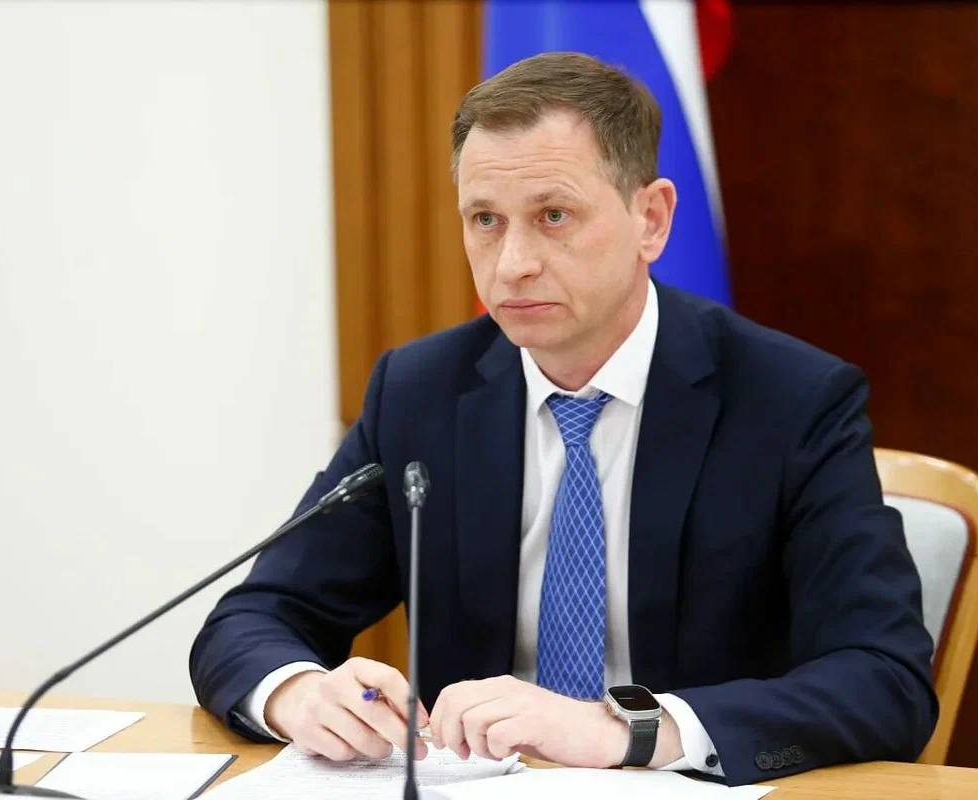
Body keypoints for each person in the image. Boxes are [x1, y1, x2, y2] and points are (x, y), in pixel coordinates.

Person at [190, 52, 937, 786]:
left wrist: (626, 730)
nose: (512, 262)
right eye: (486, 219)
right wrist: (298, 693)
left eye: (554, 216)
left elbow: (885, 679)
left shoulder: (790, 400)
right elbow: (256, 616)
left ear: (651, 220)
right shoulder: (420, 393)